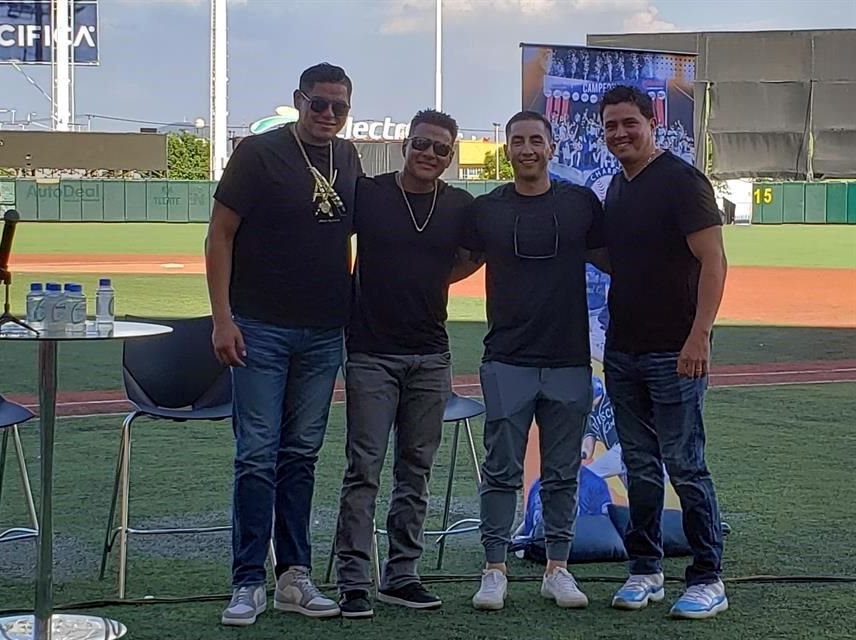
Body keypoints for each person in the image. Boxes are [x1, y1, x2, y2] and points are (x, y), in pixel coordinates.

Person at [205, 62, 363, 627]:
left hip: (323, 332)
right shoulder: (258, 152)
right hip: (260, 327)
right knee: (257, 454)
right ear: (299, 100)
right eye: (318, 104)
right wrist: (223, 318)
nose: (327, 115)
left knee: (301, 455)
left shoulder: (347, 157)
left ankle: (294, 575)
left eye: (338, 107)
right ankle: (247, 580)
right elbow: (219, 234)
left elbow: (345, 241)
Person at [334, 109, 478, 619]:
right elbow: (332, 243)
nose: (430, 155)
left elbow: (471, 256)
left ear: (451, 155)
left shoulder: (459, 204)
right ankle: (354, 579)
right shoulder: (370, 193)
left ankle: (401, 574)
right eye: (422, 144)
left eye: (441, 148)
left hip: (430, 355)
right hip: (371, 353)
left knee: (416, 470)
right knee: (364, 468)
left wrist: (433, 277)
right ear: (405, 145)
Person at [464, 110, 607, 612]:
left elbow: (618, 255)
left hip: (568, 359)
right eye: (518, 141)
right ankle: (494, 568)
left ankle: (557, 568)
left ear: (552, 147)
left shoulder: (580, 203)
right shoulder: (487, 210)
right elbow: (451, 261)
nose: (527, 149)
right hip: (507, 357)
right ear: (507, 149)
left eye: (536, 141)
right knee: (502, 469)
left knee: (563, 470)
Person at [599, 85, 728, 619]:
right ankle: (646, 569)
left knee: (685, 465)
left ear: (652, 124)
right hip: (624, 349)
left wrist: (699, 335)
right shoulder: (617, 185)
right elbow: (624, 260)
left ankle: (707, 577)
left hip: (674, 350)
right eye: (611, 126)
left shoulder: (681, 180)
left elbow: (714, 261)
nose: (620, 134)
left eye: (629, 123)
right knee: (640, 466)